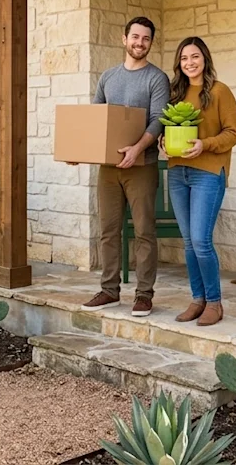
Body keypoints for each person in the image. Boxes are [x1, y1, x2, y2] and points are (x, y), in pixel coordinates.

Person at [77, 16, 170, 317]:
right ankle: (109, 290)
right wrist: (79, 150)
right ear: (124, 38)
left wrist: (137, 148)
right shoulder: (108, 77)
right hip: (109, 167)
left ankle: (144, 295)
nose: (139, 43)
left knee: (144, 231)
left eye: (145, 39)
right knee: (108, 230)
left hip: (142, 165)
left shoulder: (157, 78)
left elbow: (158, 120)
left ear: (150, 43)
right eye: (135, 37)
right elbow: (95, 120)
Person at [160, 37, 236, 326]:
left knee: (201, 241)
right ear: (179, 63)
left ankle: (215, 303)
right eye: (184, 58)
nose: (190, 63)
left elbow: (233, 133)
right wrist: (163, 143)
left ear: (205, 58)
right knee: (189, 243)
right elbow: (167, 126)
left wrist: (204, 144)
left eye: (195, 56)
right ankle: (198, 299)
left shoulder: (220, 92)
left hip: (208, 172)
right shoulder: (175, 93)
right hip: (178, 171)